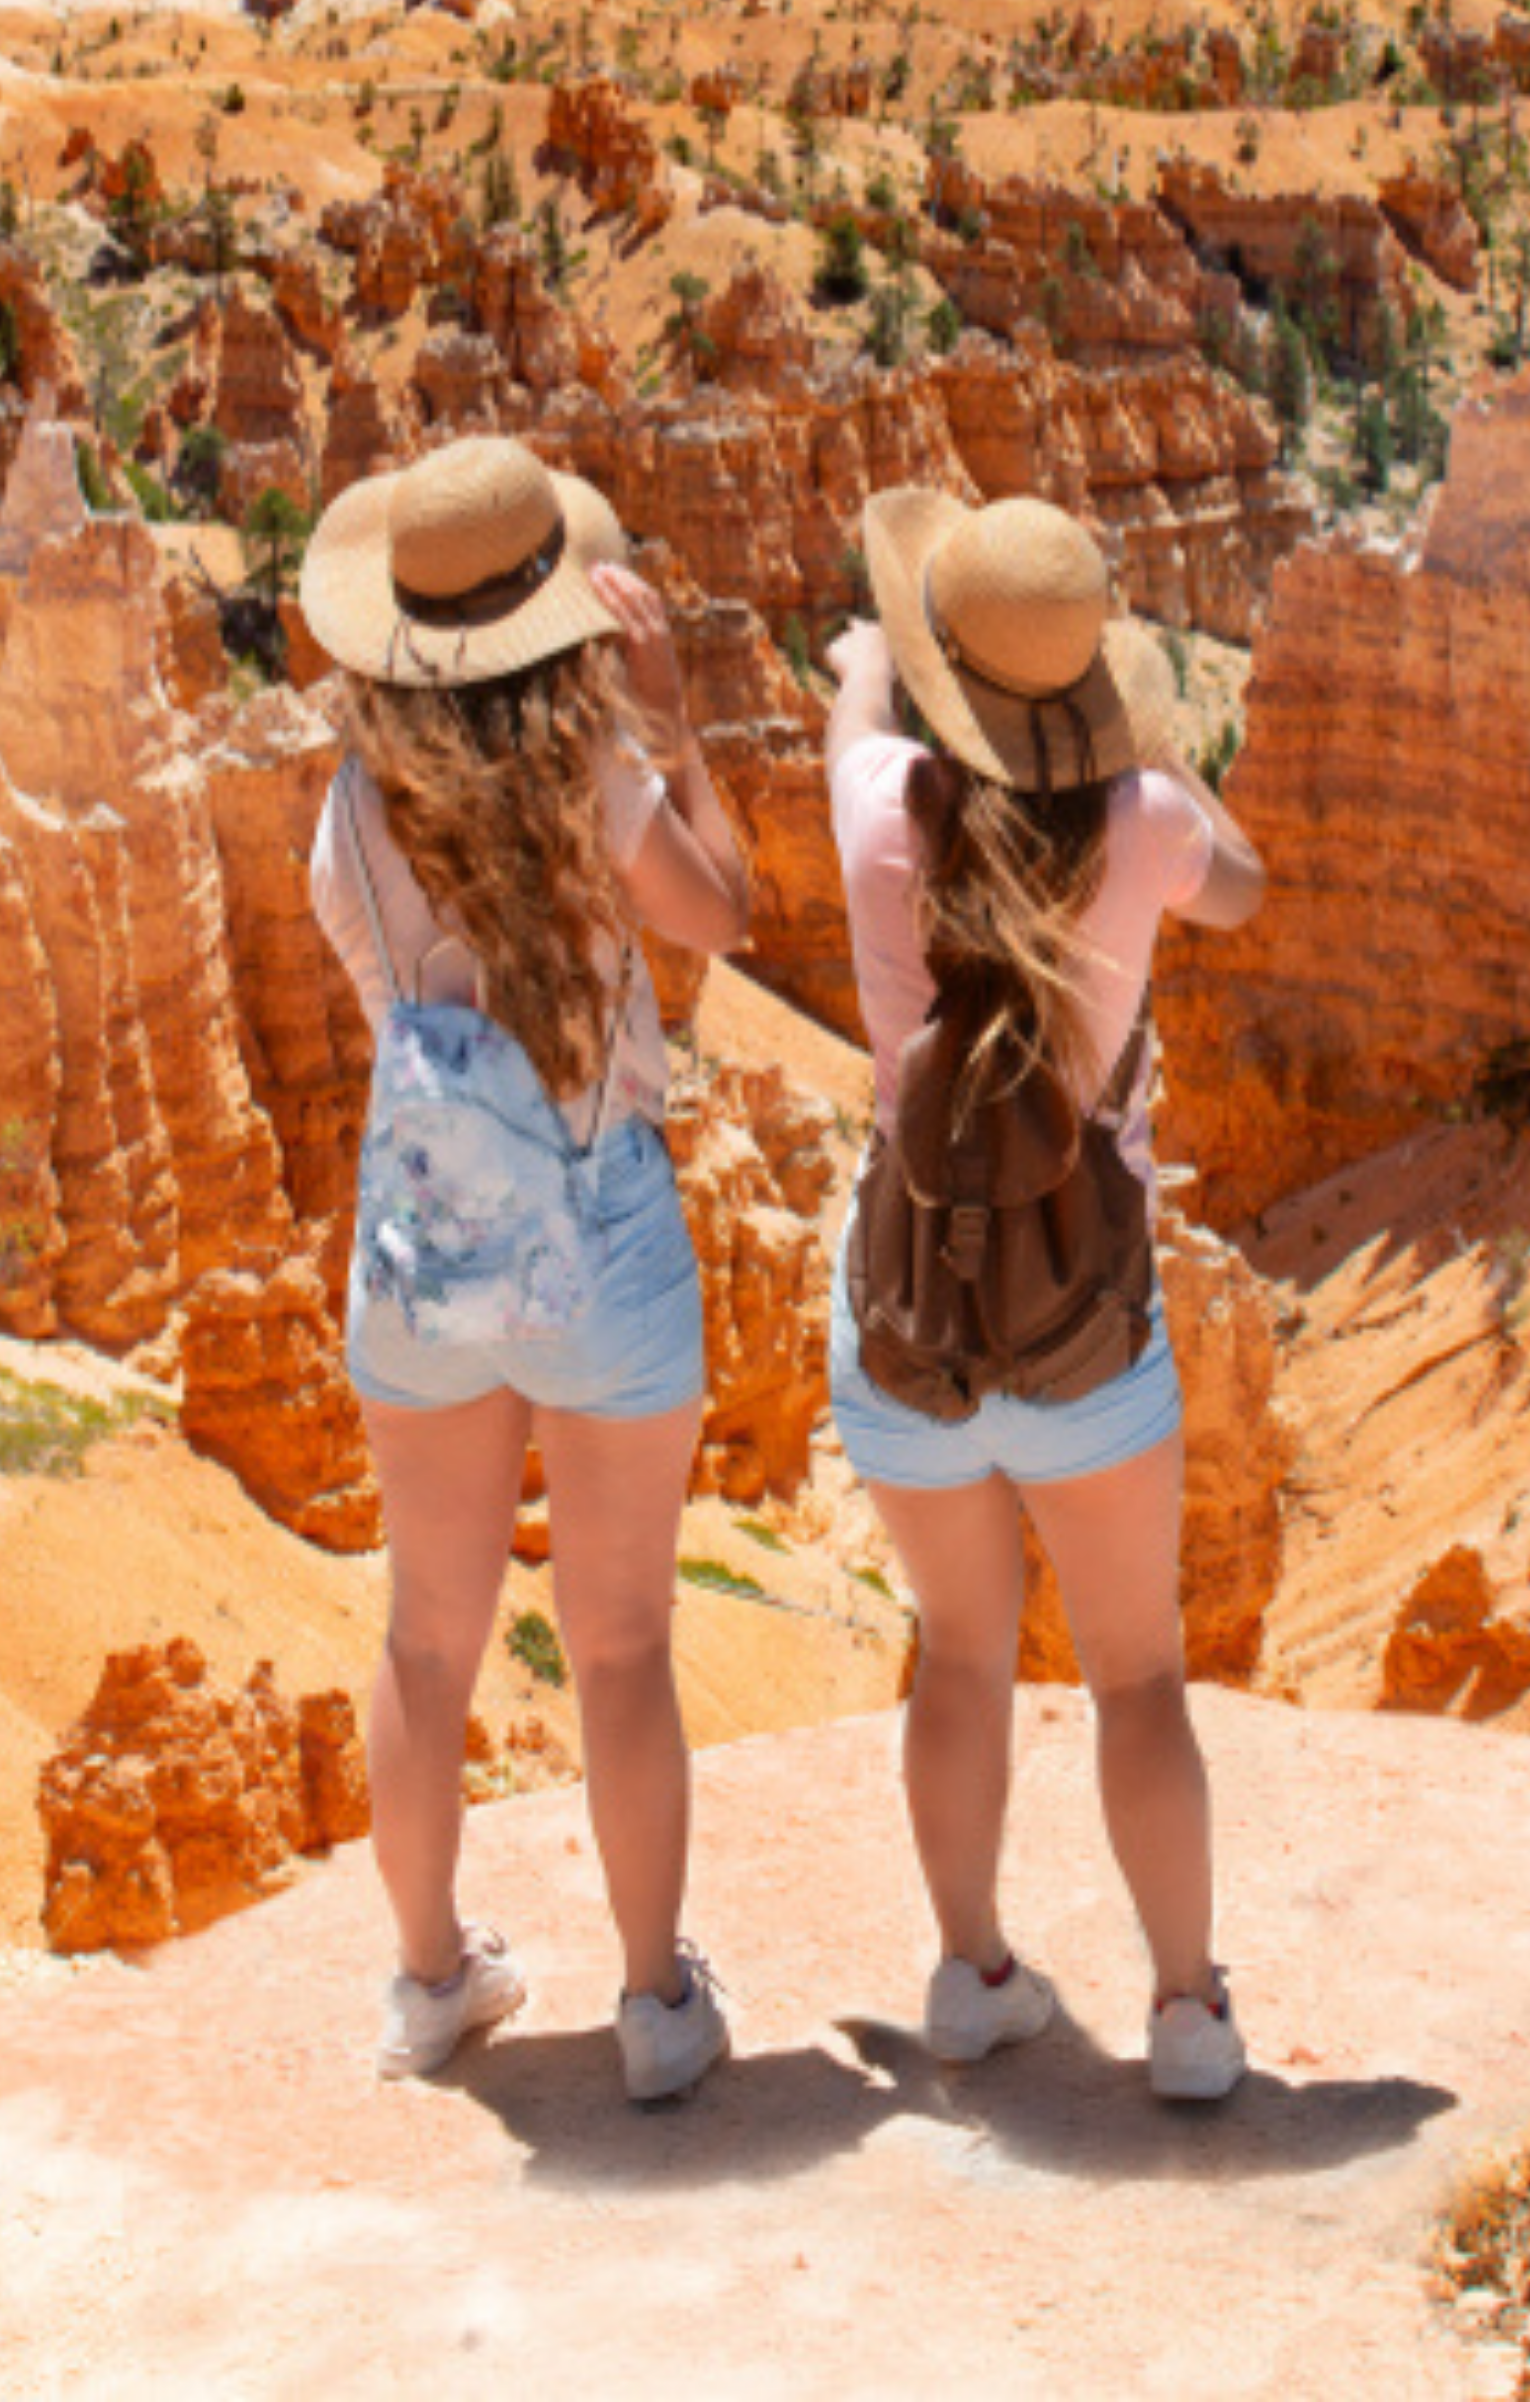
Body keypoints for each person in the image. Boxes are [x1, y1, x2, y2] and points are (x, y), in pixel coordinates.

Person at [299, 433, 754, 2099]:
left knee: (428, 1635)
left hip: (427, 1244)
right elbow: (721, 914)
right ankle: (653, 2007)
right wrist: (675, 726)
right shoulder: (598, 779)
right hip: (605, 1235)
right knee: (621, 1639)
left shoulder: (351, 809)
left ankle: (429, 1982)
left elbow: (382, 990)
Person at [824, 484, 1266, 2101]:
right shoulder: (1144, 821)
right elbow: (1246, 882)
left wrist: (885, 650)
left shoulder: (879, 802)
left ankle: (972, 1974)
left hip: (910, 1318)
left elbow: (856, 699)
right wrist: (1158, 744)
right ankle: (1188, 2016)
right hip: (1090, 1321)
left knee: (960, 1653)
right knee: (1136, 1675)